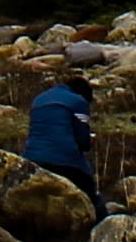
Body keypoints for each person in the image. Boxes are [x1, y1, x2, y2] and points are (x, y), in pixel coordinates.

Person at [24, 51, 101, 197]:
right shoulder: (79, 101)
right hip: (64, 161)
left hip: (32, 158)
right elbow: (83, 142)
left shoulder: (39, 99)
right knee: (90, 192)